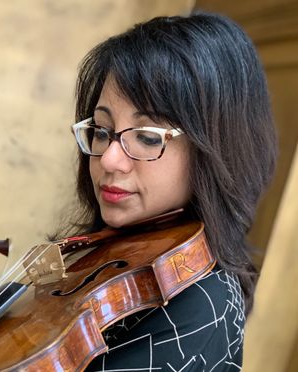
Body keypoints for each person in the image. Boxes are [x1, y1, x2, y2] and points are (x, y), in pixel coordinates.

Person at [60, 11, 277, 371]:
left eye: (147, 137)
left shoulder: (201, 309)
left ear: (216, 150)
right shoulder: (117, 248)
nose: (110, 159)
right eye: (101, 130)